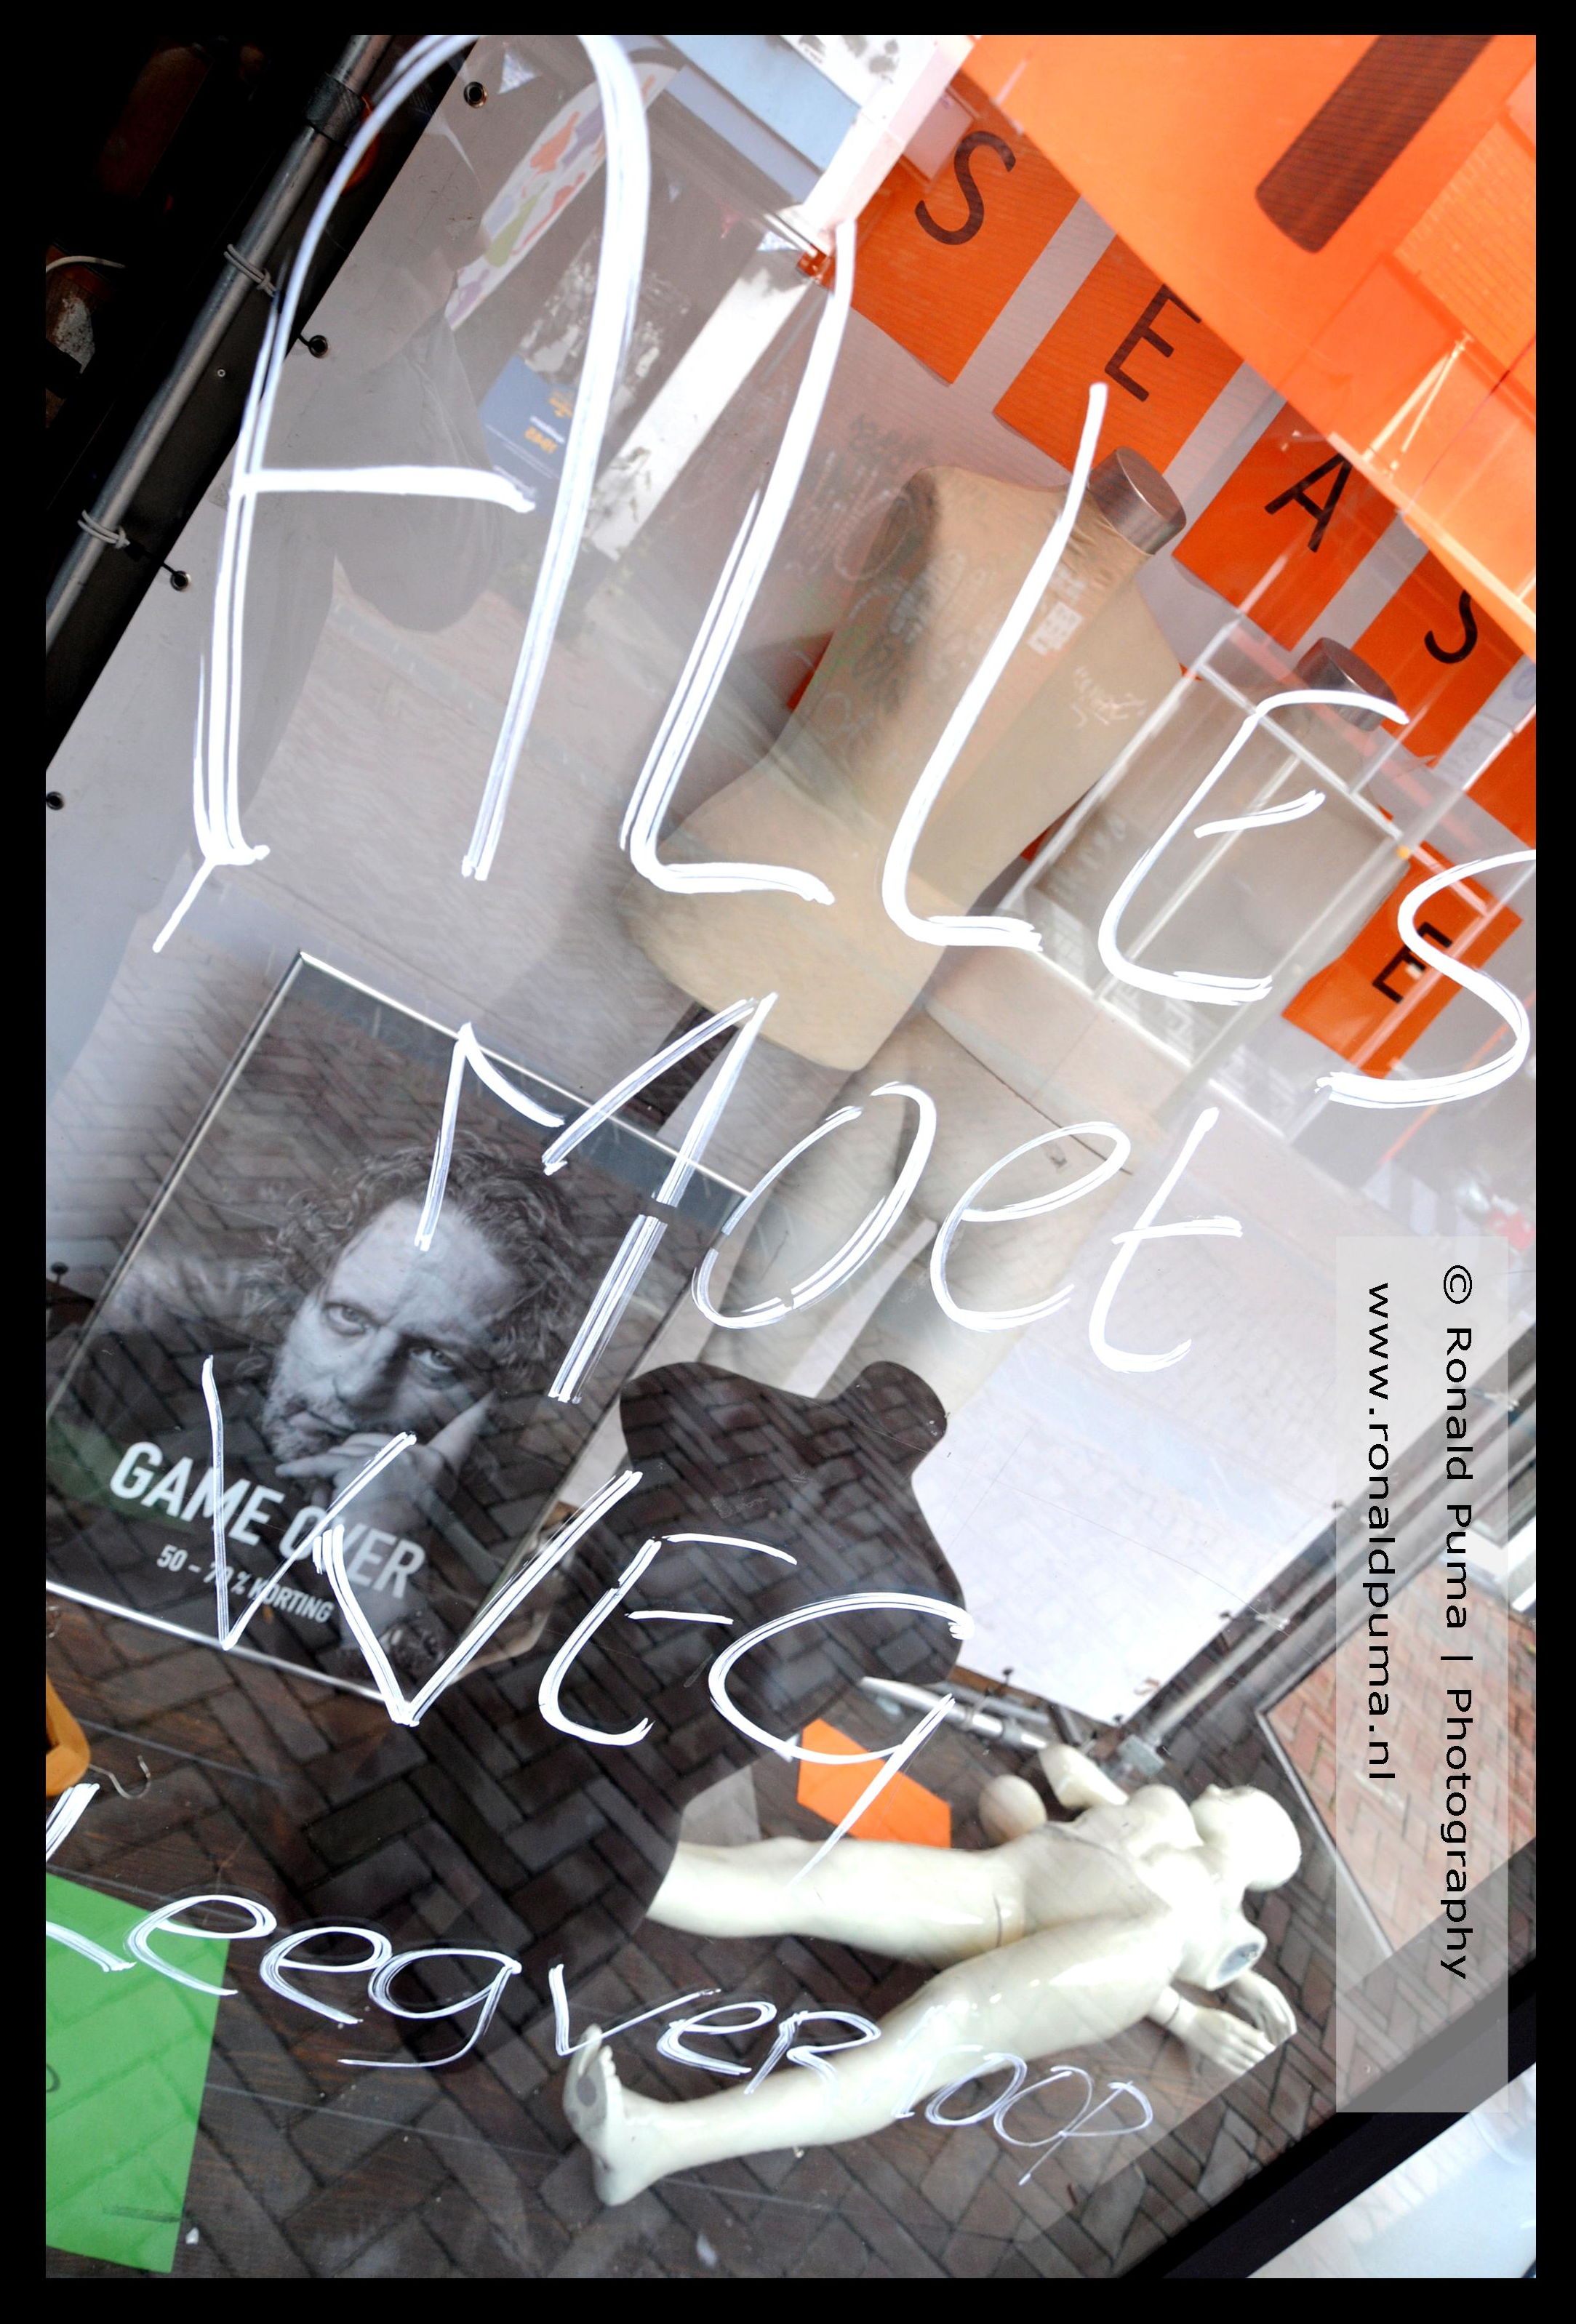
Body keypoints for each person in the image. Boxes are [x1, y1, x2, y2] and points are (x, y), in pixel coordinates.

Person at [564, 1743, 1301, 2205]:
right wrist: (1082, 1784)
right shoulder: (1158, 1807)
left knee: (933, 2033)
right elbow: (1057, 1770)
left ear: (1259, 1844)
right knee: (813, 1870)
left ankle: (659, 2139)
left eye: (1242, 1797)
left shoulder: (1227, 1929)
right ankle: (610, 1872)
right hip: (1001, 1888)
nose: (1223, 1786)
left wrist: (1209, 2002)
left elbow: (1187, 1956)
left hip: (1111, 1958)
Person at [46, 1137, 584, 1678]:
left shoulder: (495, 1548)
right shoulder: (139, 1375)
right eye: (348, 1317)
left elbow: (384, 1721)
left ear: (490, 1393)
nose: (357, 1387)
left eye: (435, 1358)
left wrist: (380, 1576)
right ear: (301, 1297)